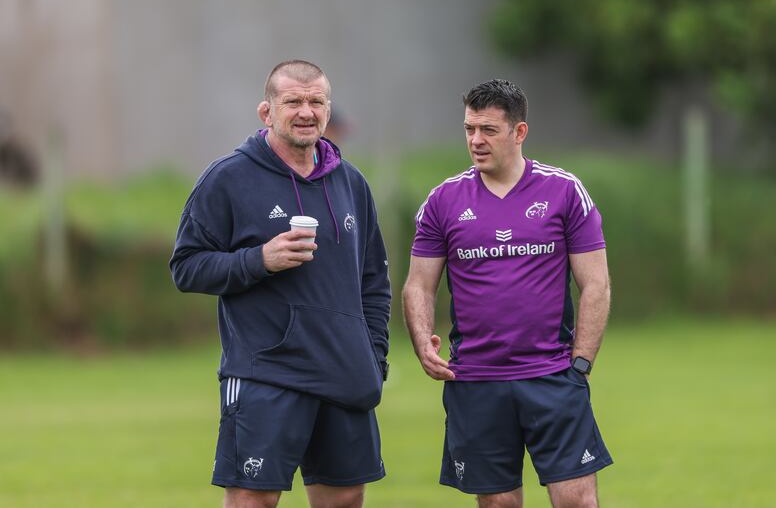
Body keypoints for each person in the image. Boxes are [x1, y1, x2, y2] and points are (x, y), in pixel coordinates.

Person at [170, 60, 391, 508]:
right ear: (266, 112)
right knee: (253, 501)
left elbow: (374, 281)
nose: (306, 111)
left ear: (328, 111)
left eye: (316, 101)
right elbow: (186, 267)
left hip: (343, 371)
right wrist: (259, 260)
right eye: (293, 101)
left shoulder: (352, 183)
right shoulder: (228, 178)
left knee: (345, 498)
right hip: (266, 371)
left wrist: (374, 359)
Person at [402, 79, 612, 508]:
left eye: (488, 130)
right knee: (498, 504)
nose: (475, 141)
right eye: (469, 129)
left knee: (577, 501)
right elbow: (419, 285)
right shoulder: (443, 200)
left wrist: (581, 364)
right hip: (476, 381)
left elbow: (596, 283)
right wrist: (423, 341)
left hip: (553, 376)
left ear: (519, 132)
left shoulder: (564, 191)